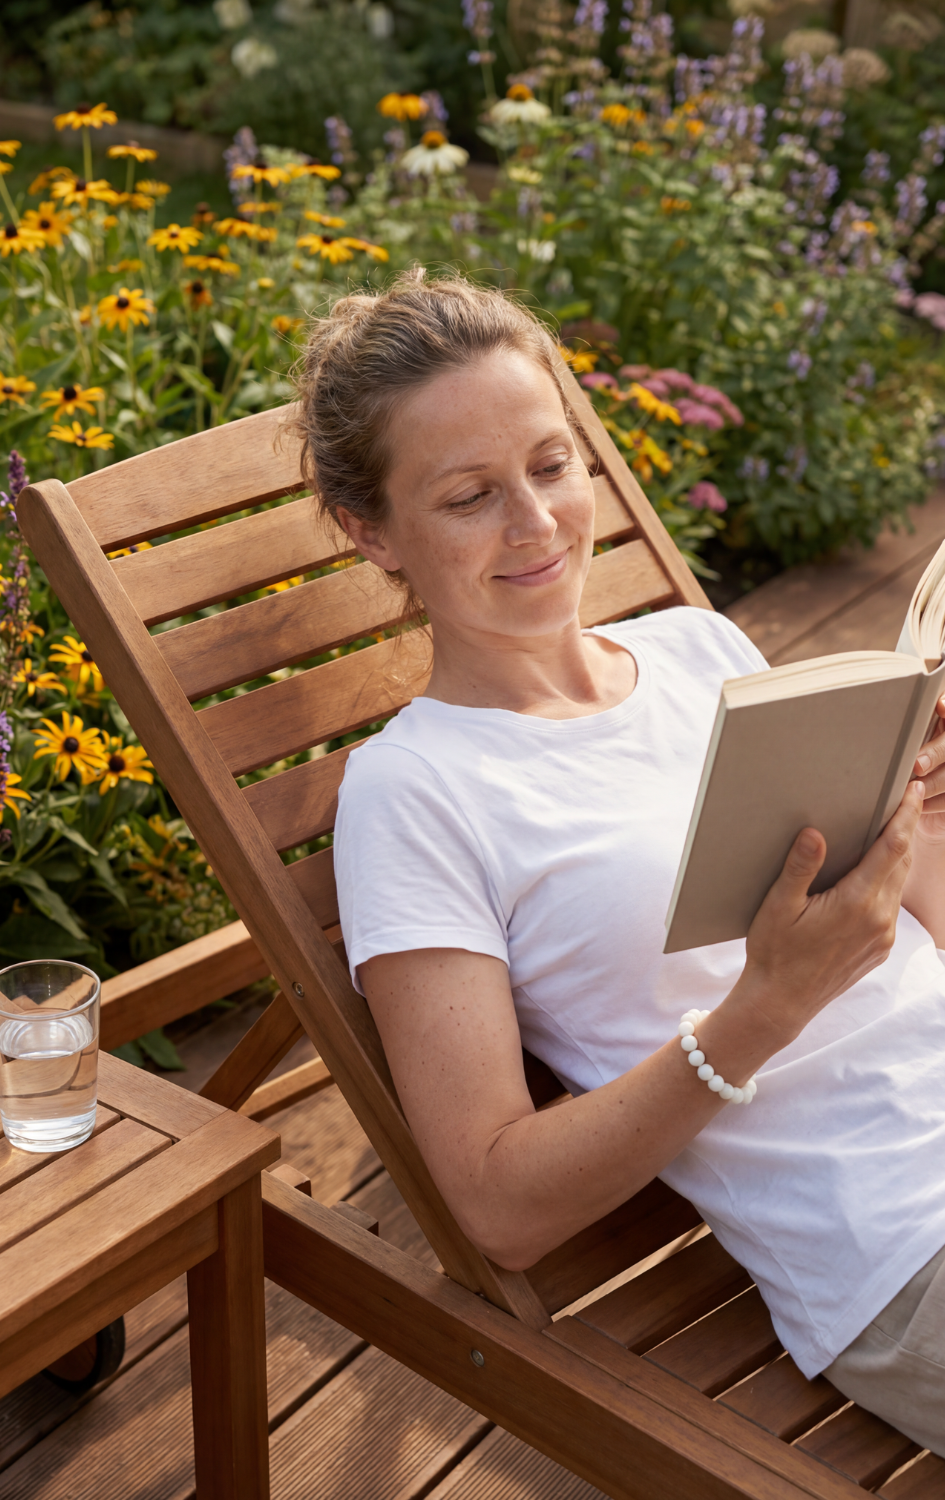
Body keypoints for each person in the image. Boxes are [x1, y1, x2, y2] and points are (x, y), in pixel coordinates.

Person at [295, 268, 945, 1452]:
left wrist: (919, 819)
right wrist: (765, 1007)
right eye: (469, 497)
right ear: (369, 529)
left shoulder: (700, 647)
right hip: (901, 1235)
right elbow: (497, 1205)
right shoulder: (414, 793)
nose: (536, 524)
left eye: (551, 466)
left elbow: (915, 927)